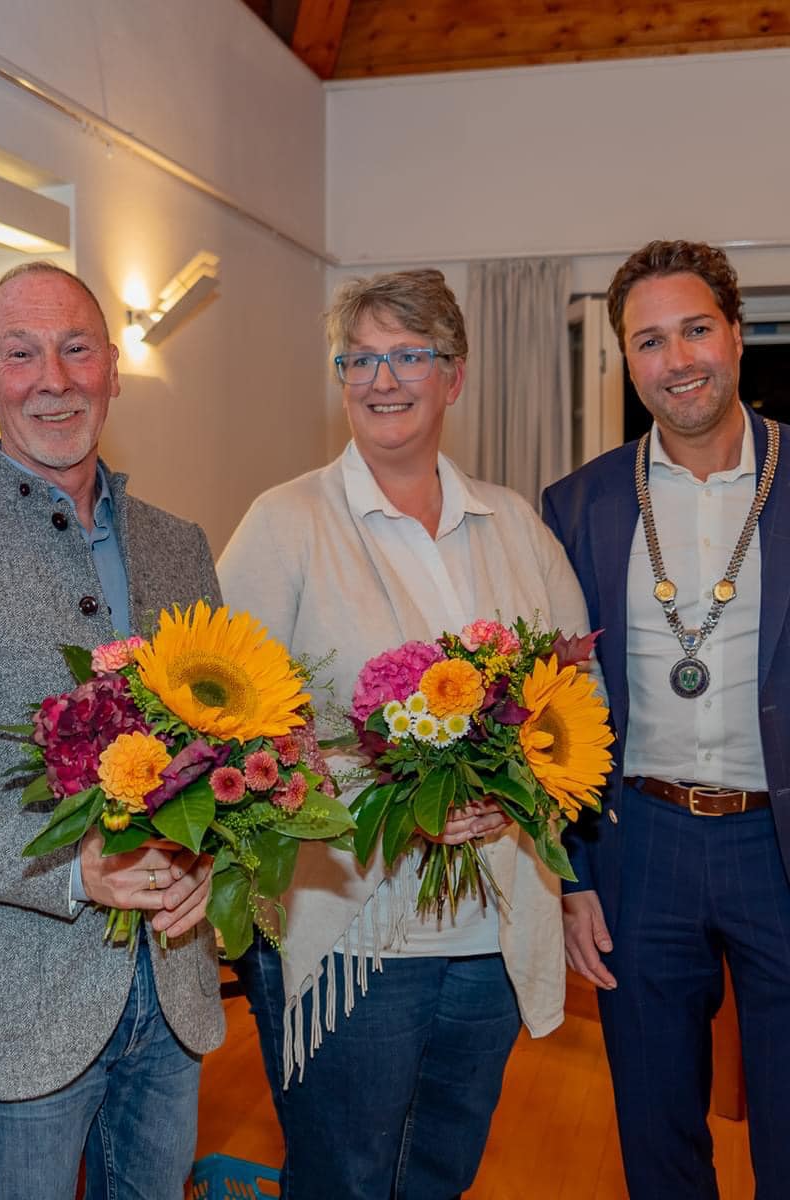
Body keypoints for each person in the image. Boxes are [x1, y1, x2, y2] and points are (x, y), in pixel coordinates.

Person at [217, 269, 592, 1199]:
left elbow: (572, 707)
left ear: (454, 375)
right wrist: (396, 801)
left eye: (408, 356)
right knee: (344, 1176)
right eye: (361, 360)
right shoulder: (286, 522)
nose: (382, 380)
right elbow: (229, 733)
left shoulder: (517, 527)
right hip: (353, 929)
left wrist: (509, 788)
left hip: (492, 930)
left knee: (442, 1171)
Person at [0, 262, 225, 1200]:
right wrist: (72, 867)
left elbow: (228, 749)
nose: (52, 379)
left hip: (175, 990)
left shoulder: (180, 544)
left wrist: (211, 856)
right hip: (13, 1008)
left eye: (75, 349)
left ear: (112, 371)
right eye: (19, 355)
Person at [543, 239, 790, 1199]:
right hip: (637, 845)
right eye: (649, 340)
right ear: (625, 359)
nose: (677, 359)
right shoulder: (578, 503)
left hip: (777, 839)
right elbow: (549, 709)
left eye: (695, 329)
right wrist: (571, 872)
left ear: (735, 334)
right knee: (655, 1131)